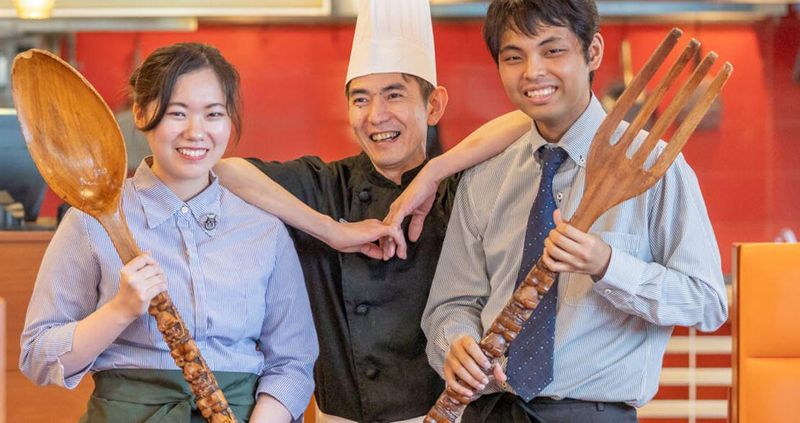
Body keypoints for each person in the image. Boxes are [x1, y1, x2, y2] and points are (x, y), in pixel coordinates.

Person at [213, 1, 530, 421]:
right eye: (361, 99)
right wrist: (331, 230)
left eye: (394, 95)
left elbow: (529, 120)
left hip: (450, 416)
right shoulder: (325, 185)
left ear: (434, 105)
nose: (376, 116)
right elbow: (221, 170)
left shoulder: (460, 189)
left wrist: (433, 172)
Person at [421, 0, 729, 421]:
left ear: (593, 52)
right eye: (514, 57)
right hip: (491, 411)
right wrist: (455, 343)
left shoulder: (655, 167)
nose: (533, 72)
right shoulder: (484, 177)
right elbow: (452, 303)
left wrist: (608, 265)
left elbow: (706, 302)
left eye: (552, 50)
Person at [20, 43, 317, 423]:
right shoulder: (91, 220)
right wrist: (120, 311)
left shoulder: (264, 230)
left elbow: (293, 362)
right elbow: (38, 356)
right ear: (141, 114)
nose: (196, 132)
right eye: (177, 113)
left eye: (214, 114)